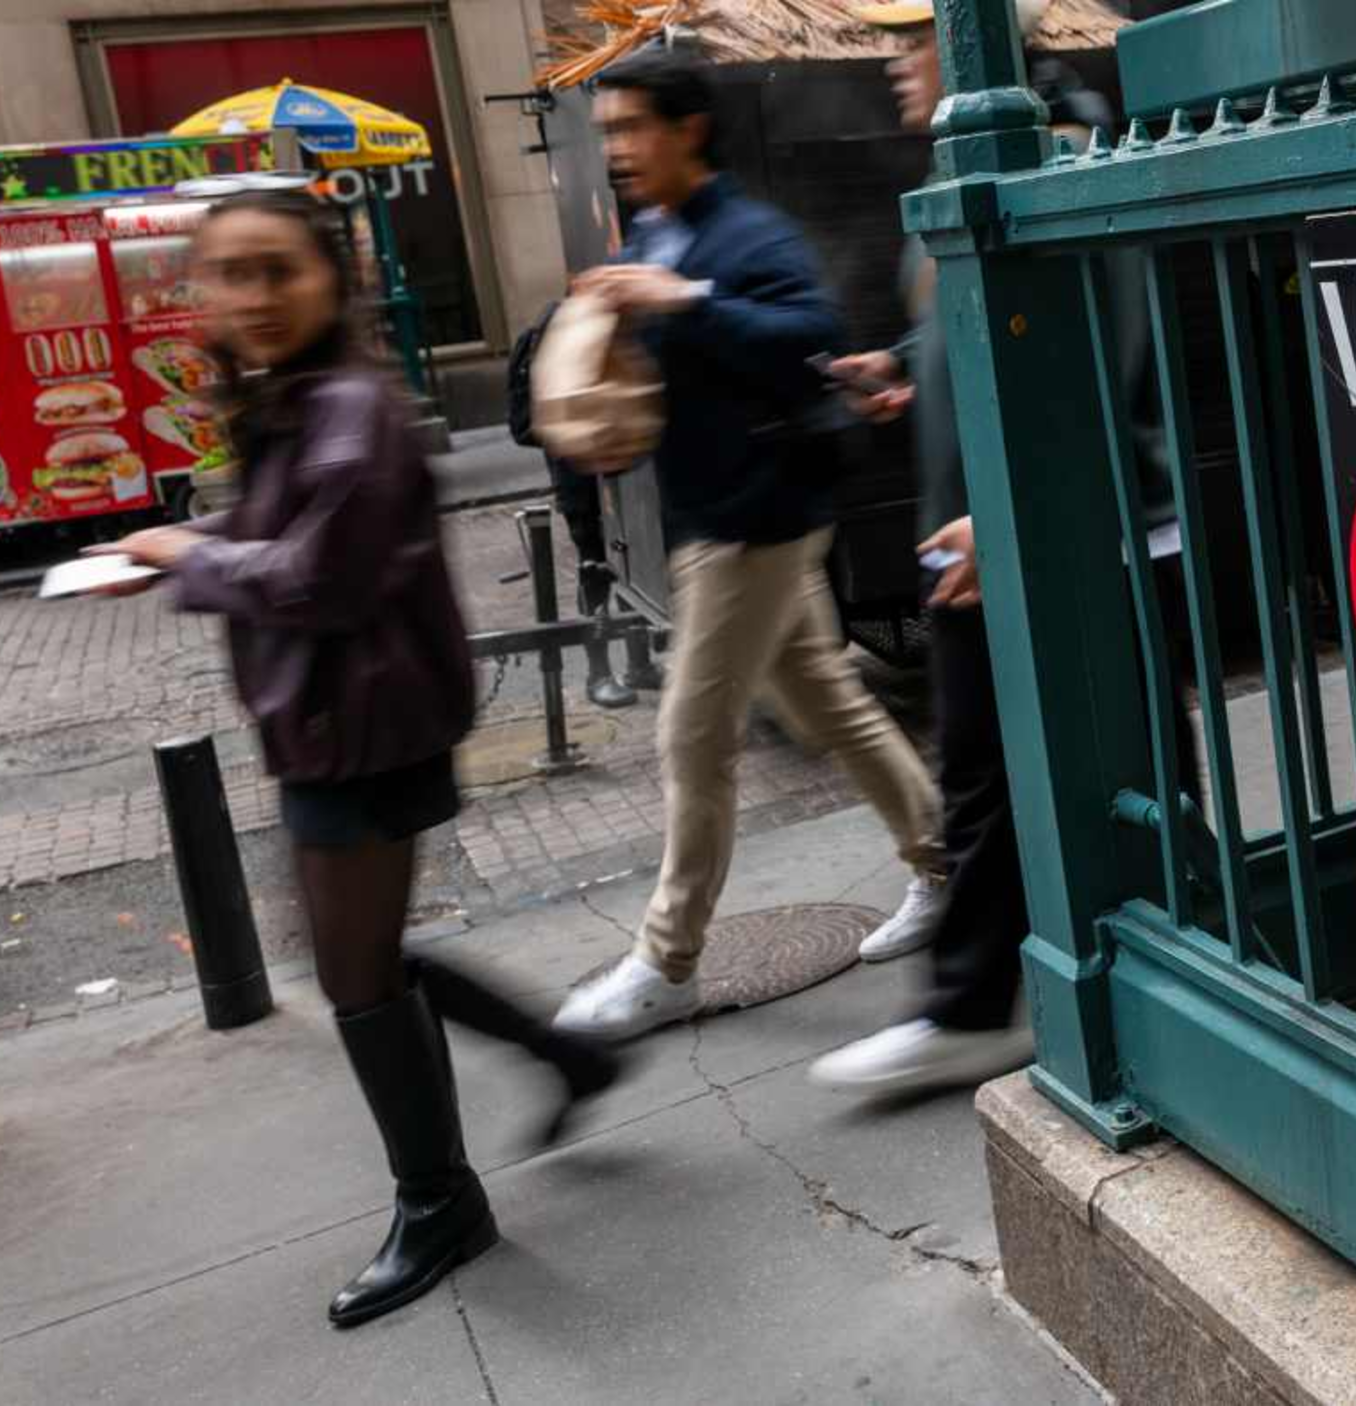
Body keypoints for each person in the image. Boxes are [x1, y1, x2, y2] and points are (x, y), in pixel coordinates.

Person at [99, 188, 623, 1328]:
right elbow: (287, 537)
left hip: (362, 729)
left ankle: (440, 1200)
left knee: (353, 973)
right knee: (359, 960)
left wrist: (187, 557)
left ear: (332, 280)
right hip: (340, 723)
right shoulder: (300, 398)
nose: (252, 295)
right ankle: (560, 1058)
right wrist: (188, 544)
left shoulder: (348, 408)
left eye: (276, 270)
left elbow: (319, 577)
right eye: (228, 273)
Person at [811, 0, 1173, 1095]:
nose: (895, 63)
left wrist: (1016, 513)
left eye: (912, 36)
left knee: (1045, 765)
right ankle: (1080, 977)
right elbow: (980, 324)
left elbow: (1100, 356)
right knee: (1023, 764)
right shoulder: (978, 164)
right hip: (978, 525)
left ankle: (985, 1003)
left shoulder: (1061, 156)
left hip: (1042, 529)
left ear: (976, 42)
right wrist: (904, 362)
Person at [550, 49, 944, 1040]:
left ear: (688, 129)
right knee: (827, 702)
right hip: (715, 517)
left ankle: (666, 961)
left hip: (756, 521)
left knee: (691, 736)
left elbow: (807, 329)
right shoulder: (656, 229)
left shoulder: (746, 231)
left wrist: (681, 302)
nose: (617, 149)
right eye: (608, 133)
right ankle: (943, 863)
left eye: (630, 127)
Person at [507, 297, 636, 709]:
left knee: (631, 564)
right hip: (579, 471)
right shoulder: (557, 330)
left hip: (617, 468)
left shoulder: (595, 320)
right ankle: (599, 672)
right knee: (595, 567)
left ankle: (639, 663)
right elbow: (533, 422)